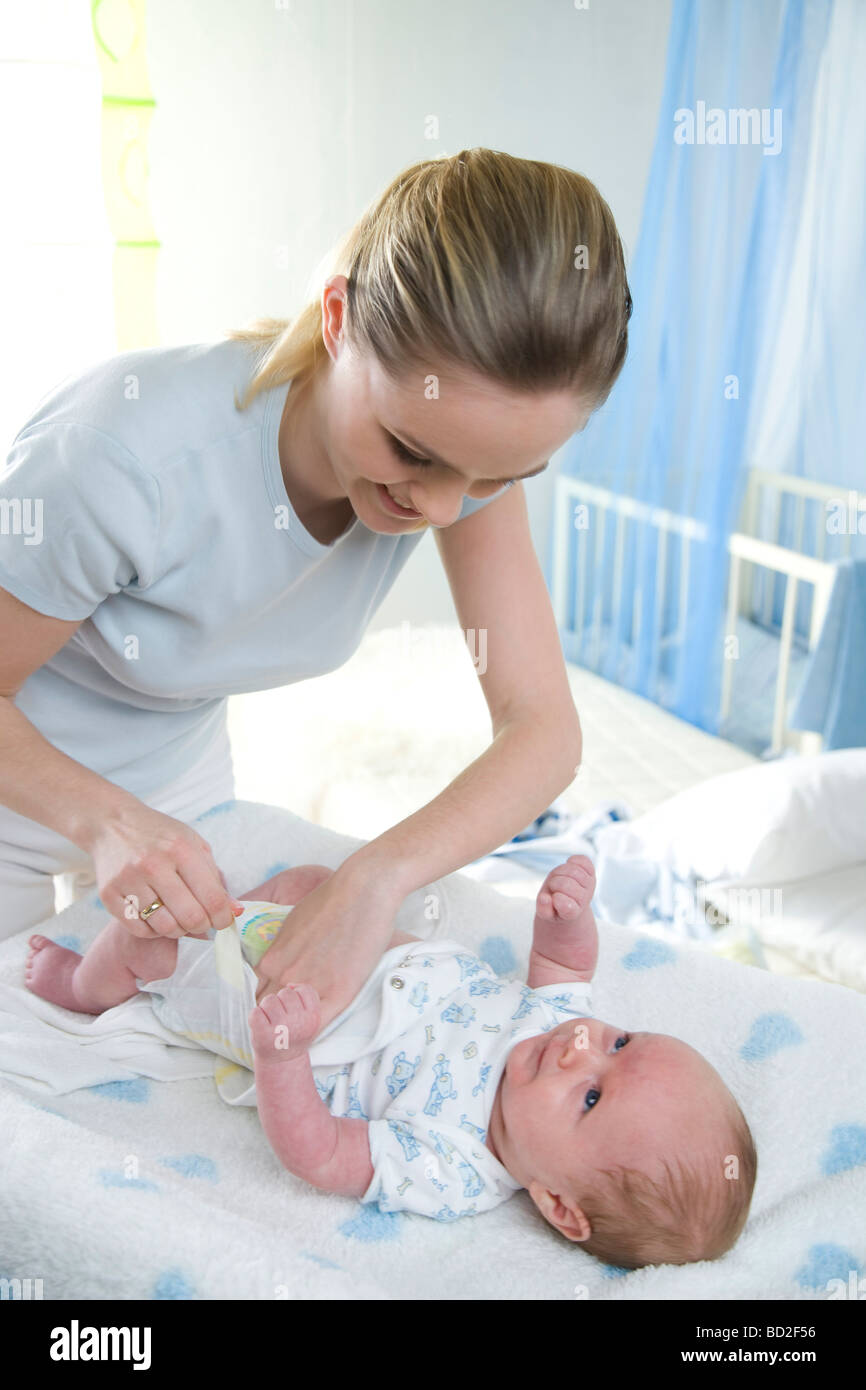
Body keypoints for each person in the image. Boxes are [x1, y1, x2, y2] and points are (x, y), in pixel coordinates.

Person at [0, 147, 632, 1032]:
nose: (443, 506)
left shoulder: (466, 464)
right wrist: (106, 823)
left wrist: (377, 876)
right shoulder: (123, 456)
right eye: (413, 451)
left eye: (498, 476)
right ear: (338, 319)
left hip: (177, 783)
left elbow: (544, 733)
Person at [24, 854, 757, 1269]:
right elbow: (564, 969)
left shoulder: (455, 1168)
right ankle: (232, 920)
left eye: (591, 1098)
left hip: (287, 1010)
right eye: (622, 1041)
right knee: (308, 882)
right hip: (355, 946)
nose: (583, 1049)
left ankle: (83, 986)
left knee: (148, 942)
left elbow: (320, 1156)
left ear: (558, 1204)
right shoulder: (562, 1027)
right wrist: (563, 922)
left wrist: (284, 1058)